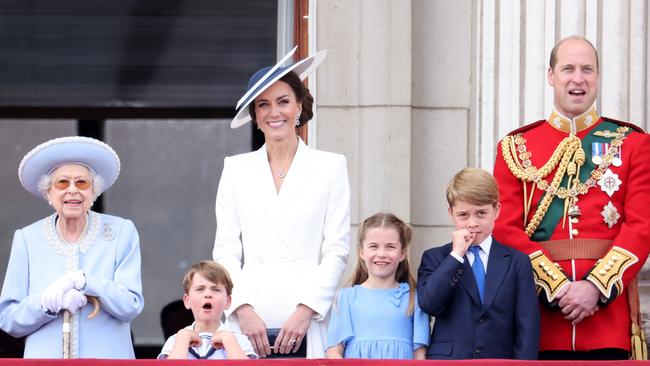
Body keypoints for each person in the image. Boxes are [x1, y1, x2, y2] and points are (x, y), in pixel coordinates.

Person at [493, 35, 650, 360]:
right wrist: (557, 286)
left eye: (587, 69)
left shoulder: (632, 143)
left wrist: (594, 287)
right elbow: (504, 229)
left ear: (597, 76)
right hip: (539, 320)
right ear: (551, 76)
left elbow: (641, 227)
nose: (578, 78)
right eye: (568, 69)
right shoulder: (515, 147)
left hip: (607, 320)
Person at [212, 47, 350, 358]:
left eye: (283, 101)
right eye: (264, 105)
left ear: (299, 105)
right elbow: (226, 250)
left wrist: (307, 310)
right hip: (249, 319)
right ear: (255, 116)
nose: (275, 112)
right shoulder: (235, 169)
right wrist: (242, 308)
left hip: (309, 318)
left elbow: (337, 249)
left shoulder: (331, 166)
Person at [0, 136, 144, 358]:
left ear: (93, 192)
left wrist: (88, 282)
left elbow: (130, 306)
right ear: (48, 192)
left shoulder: (121, 232)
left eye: (82, 183)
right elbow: (9, 319)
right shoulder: (27, 239)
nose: (72, 191)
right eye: (62, 183)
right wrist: (46, 303)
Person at [417, 168, 539, 360]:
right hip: (450, 361)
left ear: (496, 210)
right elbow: (429, 304)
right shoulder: (436, 258)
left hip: (499, 361)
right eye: (463, 215)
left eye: (481, 213)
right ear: (451, 213)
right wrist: (456, 256)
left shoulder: (517, 262)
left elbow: (527, 326)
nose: (472, 223)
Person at [326, 212, 429, 359]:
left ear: (402, 253)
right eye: (373, 246)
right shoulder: (346, 298)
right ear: (362, 252)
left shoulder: (414, 298)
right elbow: (334, 352)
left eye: (390, 247)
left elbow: (420, 356)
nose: (381, 253)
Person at [158, 261, 257, 359]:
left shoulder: (238, 340)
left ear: (227, 301)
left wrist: (228, 340)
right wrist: (183, 340)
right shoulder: (176, 340)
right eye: (200, 289)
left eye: (216, 289)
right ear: (187, 300)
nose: (208, 294)